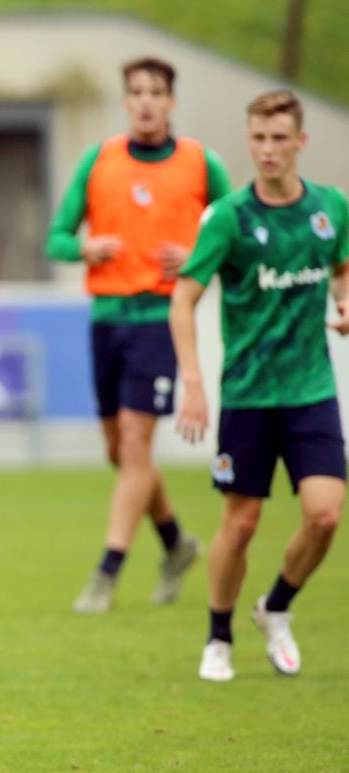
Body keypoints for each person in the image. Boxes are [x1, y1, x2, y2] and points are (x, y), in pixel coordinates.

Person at [169, 89, 348, 682]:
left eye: (279, 138)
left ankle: (275, 607)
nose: (267, 149)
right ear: (249, 140)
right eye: (258, 138)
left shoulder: (330, 209)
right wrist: (192, 380)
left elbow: (342, 269)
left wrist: (345, 302)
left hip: (311, 390)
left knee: (325, 515)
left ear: (300, 142)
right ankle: (218, 637)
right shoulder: (229, 218)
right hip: (247, 393)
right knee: (240, 524)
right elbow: (184, 296)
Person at [47, 57, 233, 614]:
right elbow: (55, 238)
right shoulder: (98, 161)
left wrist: (202, 255)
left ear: (171, 101)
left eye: (156, 92)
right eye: (136, 92)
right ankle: (176, 543)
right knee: (120, 452)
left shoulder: (202, 164)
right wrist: (84, 247)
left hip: (159, 320)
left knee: (135, 447)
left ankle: (107, 571)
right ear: (126, 101)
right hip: (106, 321)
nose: (146, 101)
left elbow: (241, 232)